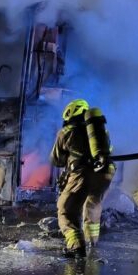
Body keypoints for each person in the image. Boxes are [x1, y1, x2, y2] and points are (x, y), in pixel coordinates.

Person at [49, 98, 116, 257]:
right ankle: (92, 243)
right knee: (92, 205)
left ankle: (76, 247)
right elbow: (107, 151)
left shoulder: (66, 132)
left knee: (66, 211)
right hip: (106, 173)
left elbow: (56, 160)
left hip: (81, 174)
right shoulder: (100, 132)